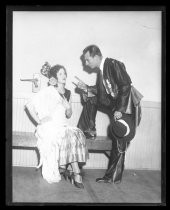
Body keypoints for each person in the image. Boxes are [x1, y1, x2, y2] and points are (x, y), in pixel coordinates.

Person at [76, 45, 143, 184]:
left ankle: (113, 178)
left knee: (120, 144)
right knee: (90, 97)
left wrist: (120, 109)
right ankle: (89, 130)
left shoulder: (112, 64)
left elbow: (126, 85)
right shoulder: (101, 71)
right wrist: (86, 88)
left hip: (127, 107)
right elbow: (101, 95)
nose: (86, 63)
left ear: (96, 56)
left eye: (87, 60)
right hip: (117, 107)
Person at [25, 63, 89, 189]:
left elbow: (69, 115)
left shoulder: (69, 93)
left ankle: (65, 168)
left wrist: (68, 107)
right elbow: (29, 104)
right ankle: (76, 173)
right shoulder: (50, 90)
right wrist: (39, 121)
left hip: (63, 125)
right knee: (69, 135)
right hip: (50, 126)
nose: (64, 75)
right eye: (60, 73)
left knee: (75, 134)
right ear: (55, 76)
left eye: (64, 73)